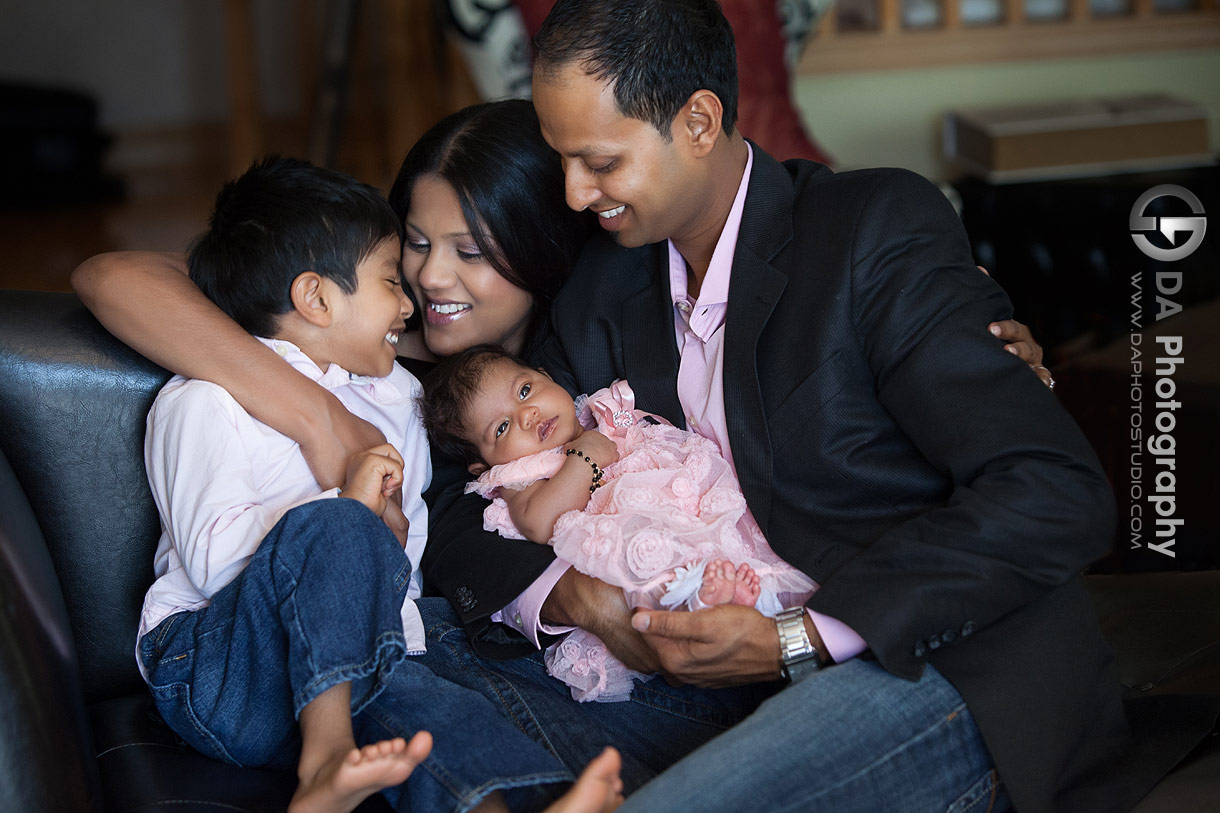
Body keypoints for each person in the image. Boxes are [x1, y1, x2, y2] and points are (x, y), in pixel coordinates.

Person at [71, 99, 1053, 798]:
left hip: (742, 645)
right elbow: (119, 274)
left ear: (544, 247)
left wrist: (966, 347)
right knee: (422, 671)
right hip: (499, 651)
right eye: (411, 242)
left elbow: (812, 339)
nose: (429, 278)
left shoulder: (620, 338)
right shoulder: (378, 344)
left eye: (470, 249)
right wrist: (319, 418)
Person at [490, 0, 1135, 810]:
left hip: (939, 663)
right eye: (562, 160)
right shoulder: (603, 287)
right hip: (717, 688)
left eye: (600, 162)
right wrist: (569, 592)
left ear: (698, 121)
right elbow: (475, 479)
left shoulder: (872, 230)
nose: (575, 193)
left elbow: (1054, 490)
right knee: (412, 690)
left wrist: (798, 638)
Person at [136, 155, 623, 813]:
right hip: (219, 665)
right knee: (343, 538)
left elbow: (406, 549)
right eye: (391, 280)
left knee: (426, 704)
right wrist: (352, 516)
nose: (408, 301)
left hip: (350, 662)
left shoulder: (396, 395)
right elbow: (216, 560)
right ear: (315, 298)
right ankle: (326, 756)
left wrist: (386, 536)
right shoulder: (206, 400)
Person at [420, 344, 816, 701]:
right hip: (627, 549)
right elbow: (540, 522)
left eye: (525, 391)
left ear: (545, 376)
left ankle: (753, 599)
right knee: (646, 571)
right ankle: (696, 604)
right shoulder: (519, 474)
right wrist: (585, 456)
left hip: (679, 511)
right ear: (483, 465)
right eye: (501, 428)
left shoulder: (601, 411)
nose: (527, 415)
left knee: (733, 545)